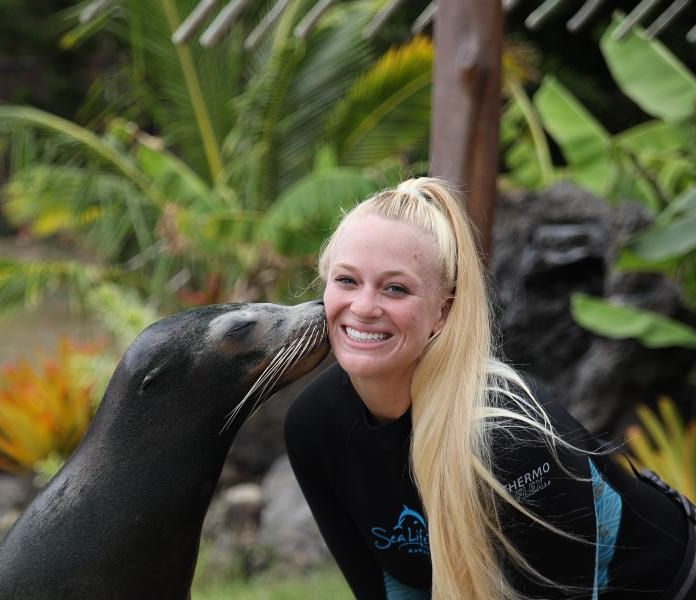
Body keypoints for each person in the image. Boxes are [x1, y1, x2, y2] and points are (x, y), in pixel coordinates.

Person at [284, 177, 696, 599]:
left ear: (443, 312)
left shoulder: (513, 439)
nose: (365, 307)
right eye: (347, 280)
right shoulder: (314, 427)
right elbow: (389, 589)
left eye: (396, 288)